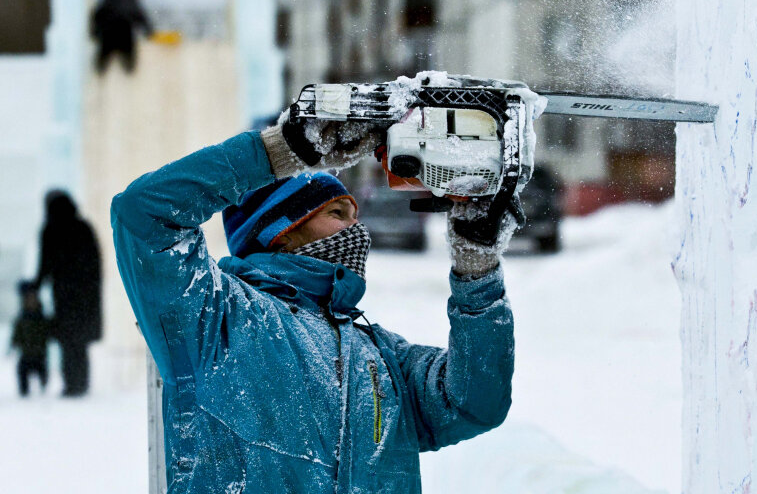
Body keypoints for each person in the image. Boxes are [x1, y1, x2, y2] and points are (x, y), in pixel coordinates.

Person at [112, 98, 526, 492]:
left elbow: (474, 401)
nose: (357, 231)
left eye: (354, 215)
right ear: (281, 231)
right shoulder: (217, 316)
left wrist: (477, 268)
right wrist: (284, 150)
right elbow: (144, 215)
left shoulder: (380, 354)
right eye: (336, 214)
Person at [35, 191, 103, 397]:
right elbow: (95, 265)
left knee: (69, 341)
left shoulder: (51, 229)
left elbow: (45, 264)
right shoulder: (83, 228)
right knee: (78, 343)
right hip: (84, 296)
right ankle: (79, 384)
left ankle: (73, 384)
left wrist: (35, 287)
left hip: (65, 296)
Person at [91, 0, 152, 73]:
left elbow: (141, 17)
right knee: (101, 66)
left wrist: (149, 31)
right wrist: (96, 31)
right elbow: (98, 17)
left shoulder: (132, 1)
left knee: (129, 66)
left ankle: (129, 74)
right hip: (109, 36)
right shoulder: (108, 1)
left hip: (126, 37)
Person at [10, 281, 52, 397]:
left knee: (43, 373)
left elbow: (48, 332)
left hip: (40, 354)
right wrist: (13, 344)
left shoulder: (42, 319)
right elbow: (16, 334)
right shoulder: (22, 320)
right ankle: (24, 392)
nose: (31, 302)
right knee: (22, 371)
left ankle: (44, 387)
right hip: (26, 354)